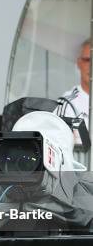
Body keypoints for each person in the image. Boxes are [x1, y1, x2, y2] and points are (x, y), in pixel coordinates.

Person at [55, 39, 91, 167]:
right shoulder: (66, 104)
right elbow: (57, 147)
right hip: (80, 180)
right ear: (79, 63)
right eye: (88, 60)